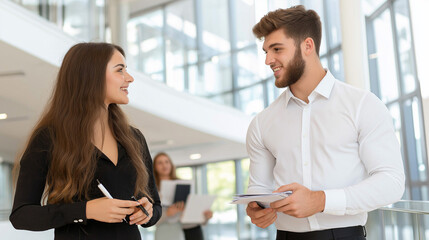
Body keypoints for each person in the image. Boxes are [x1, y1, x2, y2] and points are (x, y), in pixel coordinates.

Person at [245, 5, 405, 240]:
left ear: (307, 46)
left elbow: (391, 183)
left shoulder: (362, 105)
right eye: (266, 51)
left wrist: (320, 200)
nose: (269, 60)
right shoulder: (262, 123)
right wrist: (256, 208)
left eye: (277, 49)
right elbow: (259, 188)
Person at [9, 42, 162, 240]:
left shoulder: (134, 139)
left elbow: (155, 206)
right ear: (92, 76)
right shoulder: (49, 138)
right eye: (120, 70)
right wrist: (85, 211)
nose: (130, 78)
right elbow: (21, 216)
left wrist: (147, 212)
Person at [153, 152, 212, 240]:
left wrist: (205, 217)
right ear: (154, 167)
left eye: (166, 162)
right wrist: (167, 214)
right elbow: (151, 218)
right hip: (169, 231)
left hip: (191, 227)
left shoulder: (183, 184)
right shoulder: (153, 190)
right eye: (160, 163)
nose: (164, 165)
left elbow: (192, 207)